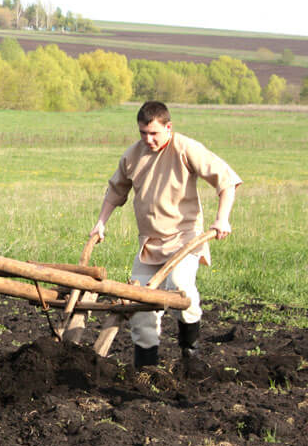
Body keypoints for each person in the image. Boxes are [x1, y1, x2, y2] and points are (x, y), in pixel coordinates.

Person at [90, 101, 241, 368]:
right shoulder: (132, 155)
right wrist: (101, 223)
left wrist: (222, 218)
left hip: (184, 239)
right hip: (149, 246)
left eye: (154, 133)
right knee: (139, 309)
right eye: (142, 133)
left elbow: (226, 181)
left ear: (168, 127)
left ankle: (189, 353)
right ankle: (146, 371)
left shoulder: (185, 148)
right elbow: (115, 191)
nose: (148, 139)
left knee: (182, 289)